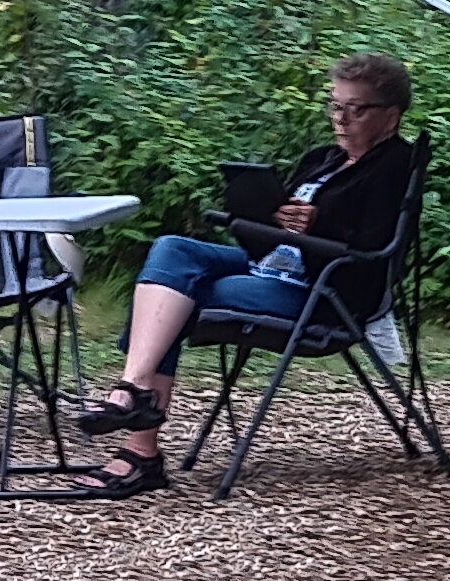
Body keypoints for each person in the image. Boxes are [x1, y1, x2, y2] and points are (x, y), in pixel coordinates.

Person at [75, 54, 415, 496]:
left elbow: (376, 249)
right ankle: (135, 389)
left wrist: (316, 226)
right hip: (270, 267)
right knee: (171, 252)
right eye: (334, 106)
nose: (341, 119)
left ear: (390, 116)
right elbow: (267, 242)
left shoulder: (395, 167)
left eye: (356, 109)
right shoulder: (322, 159)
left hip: (324, 291)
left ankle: (140, 450)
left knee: (178, 295)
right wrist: (266, 215)